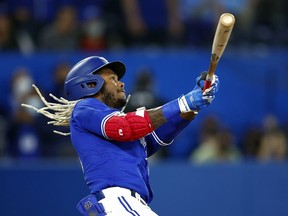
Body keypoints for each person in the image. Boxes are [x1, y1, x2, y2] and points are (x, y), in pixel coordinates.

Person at [22, 56, 219, 215]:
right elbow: (124, 127)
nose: (121, 84)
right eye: (113, 79)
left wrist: (193, 105)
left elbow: (156, 136)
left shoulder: (111, 122)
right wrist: (183, 102)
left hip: (126, 205)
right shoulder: (85, 108)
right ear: (91, 84)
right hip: (118, 203)